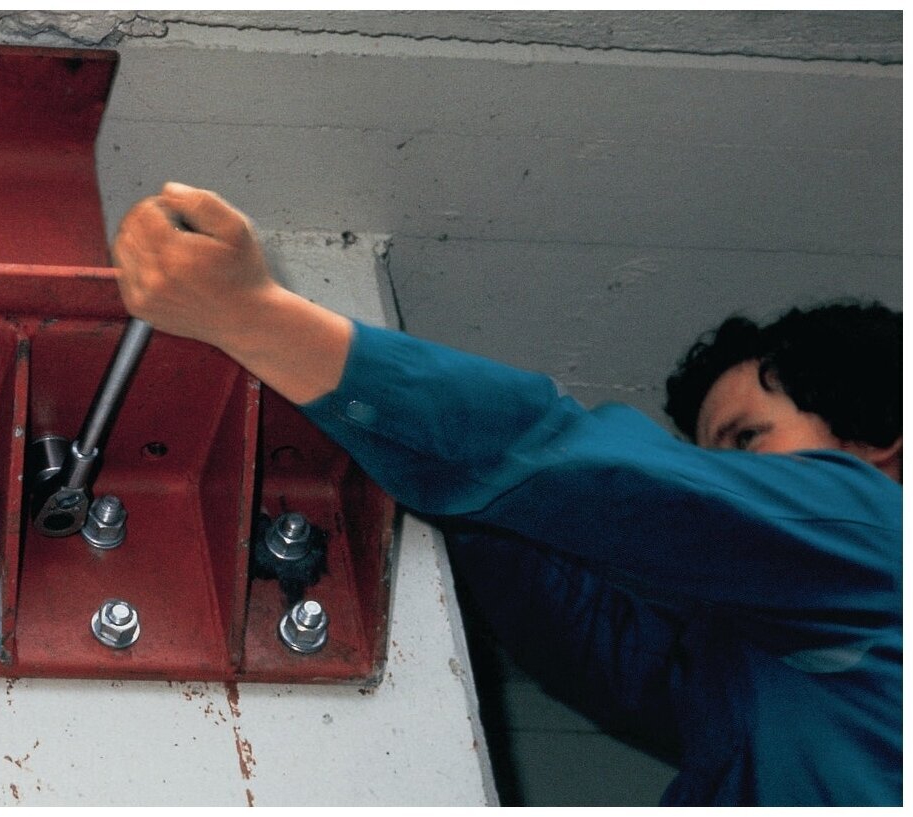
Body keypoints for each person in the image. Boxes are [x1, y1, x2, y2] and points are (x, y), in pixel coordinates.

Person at [111, 182, 902, 806]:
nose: (720, 475)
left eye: (745, 440)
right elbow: (570, 613)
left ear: (881, 448)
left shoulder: (879, 530)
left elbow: (583, 468)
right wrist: (396, 455)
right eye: (707, 454)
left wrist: (261, 321)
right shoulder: (749, 671)